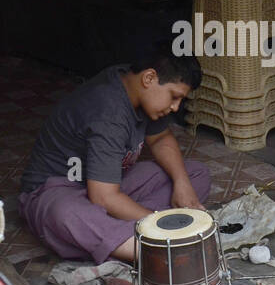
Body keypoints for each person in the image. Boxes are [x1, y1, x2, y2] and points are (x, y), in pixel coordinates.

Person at [18, 43, 213, 264]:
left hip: (110, 185)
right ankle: (153, 245)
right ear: (149, 78)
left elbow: (160, 138)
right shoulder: (108, 110)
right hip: (58, 190)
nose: (176, 107)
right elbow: (103, 197)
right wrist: (156, 221)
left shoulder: (131, 81)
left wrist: (181, 183)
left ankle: (116, 234)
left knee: (195, 174)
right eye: (174, 97)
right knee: (66, 214)